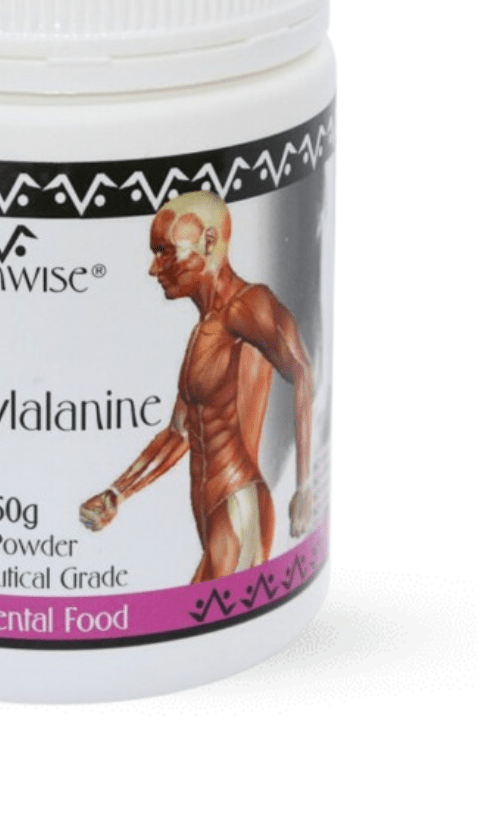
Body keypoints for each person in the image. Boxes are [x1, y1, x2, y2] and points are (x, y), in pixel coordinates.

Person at [79, 191, 314, 583]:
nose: (154, 269)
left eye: (165, 252)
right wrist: (117, 493)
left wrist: (305, 485)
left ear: (208, 241)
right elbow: (180, 432)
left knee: (217, 614)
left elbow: (302, 371)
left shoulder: (248, 305)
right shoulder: (205, 330)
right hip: (211, 513)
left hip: (238, 501)